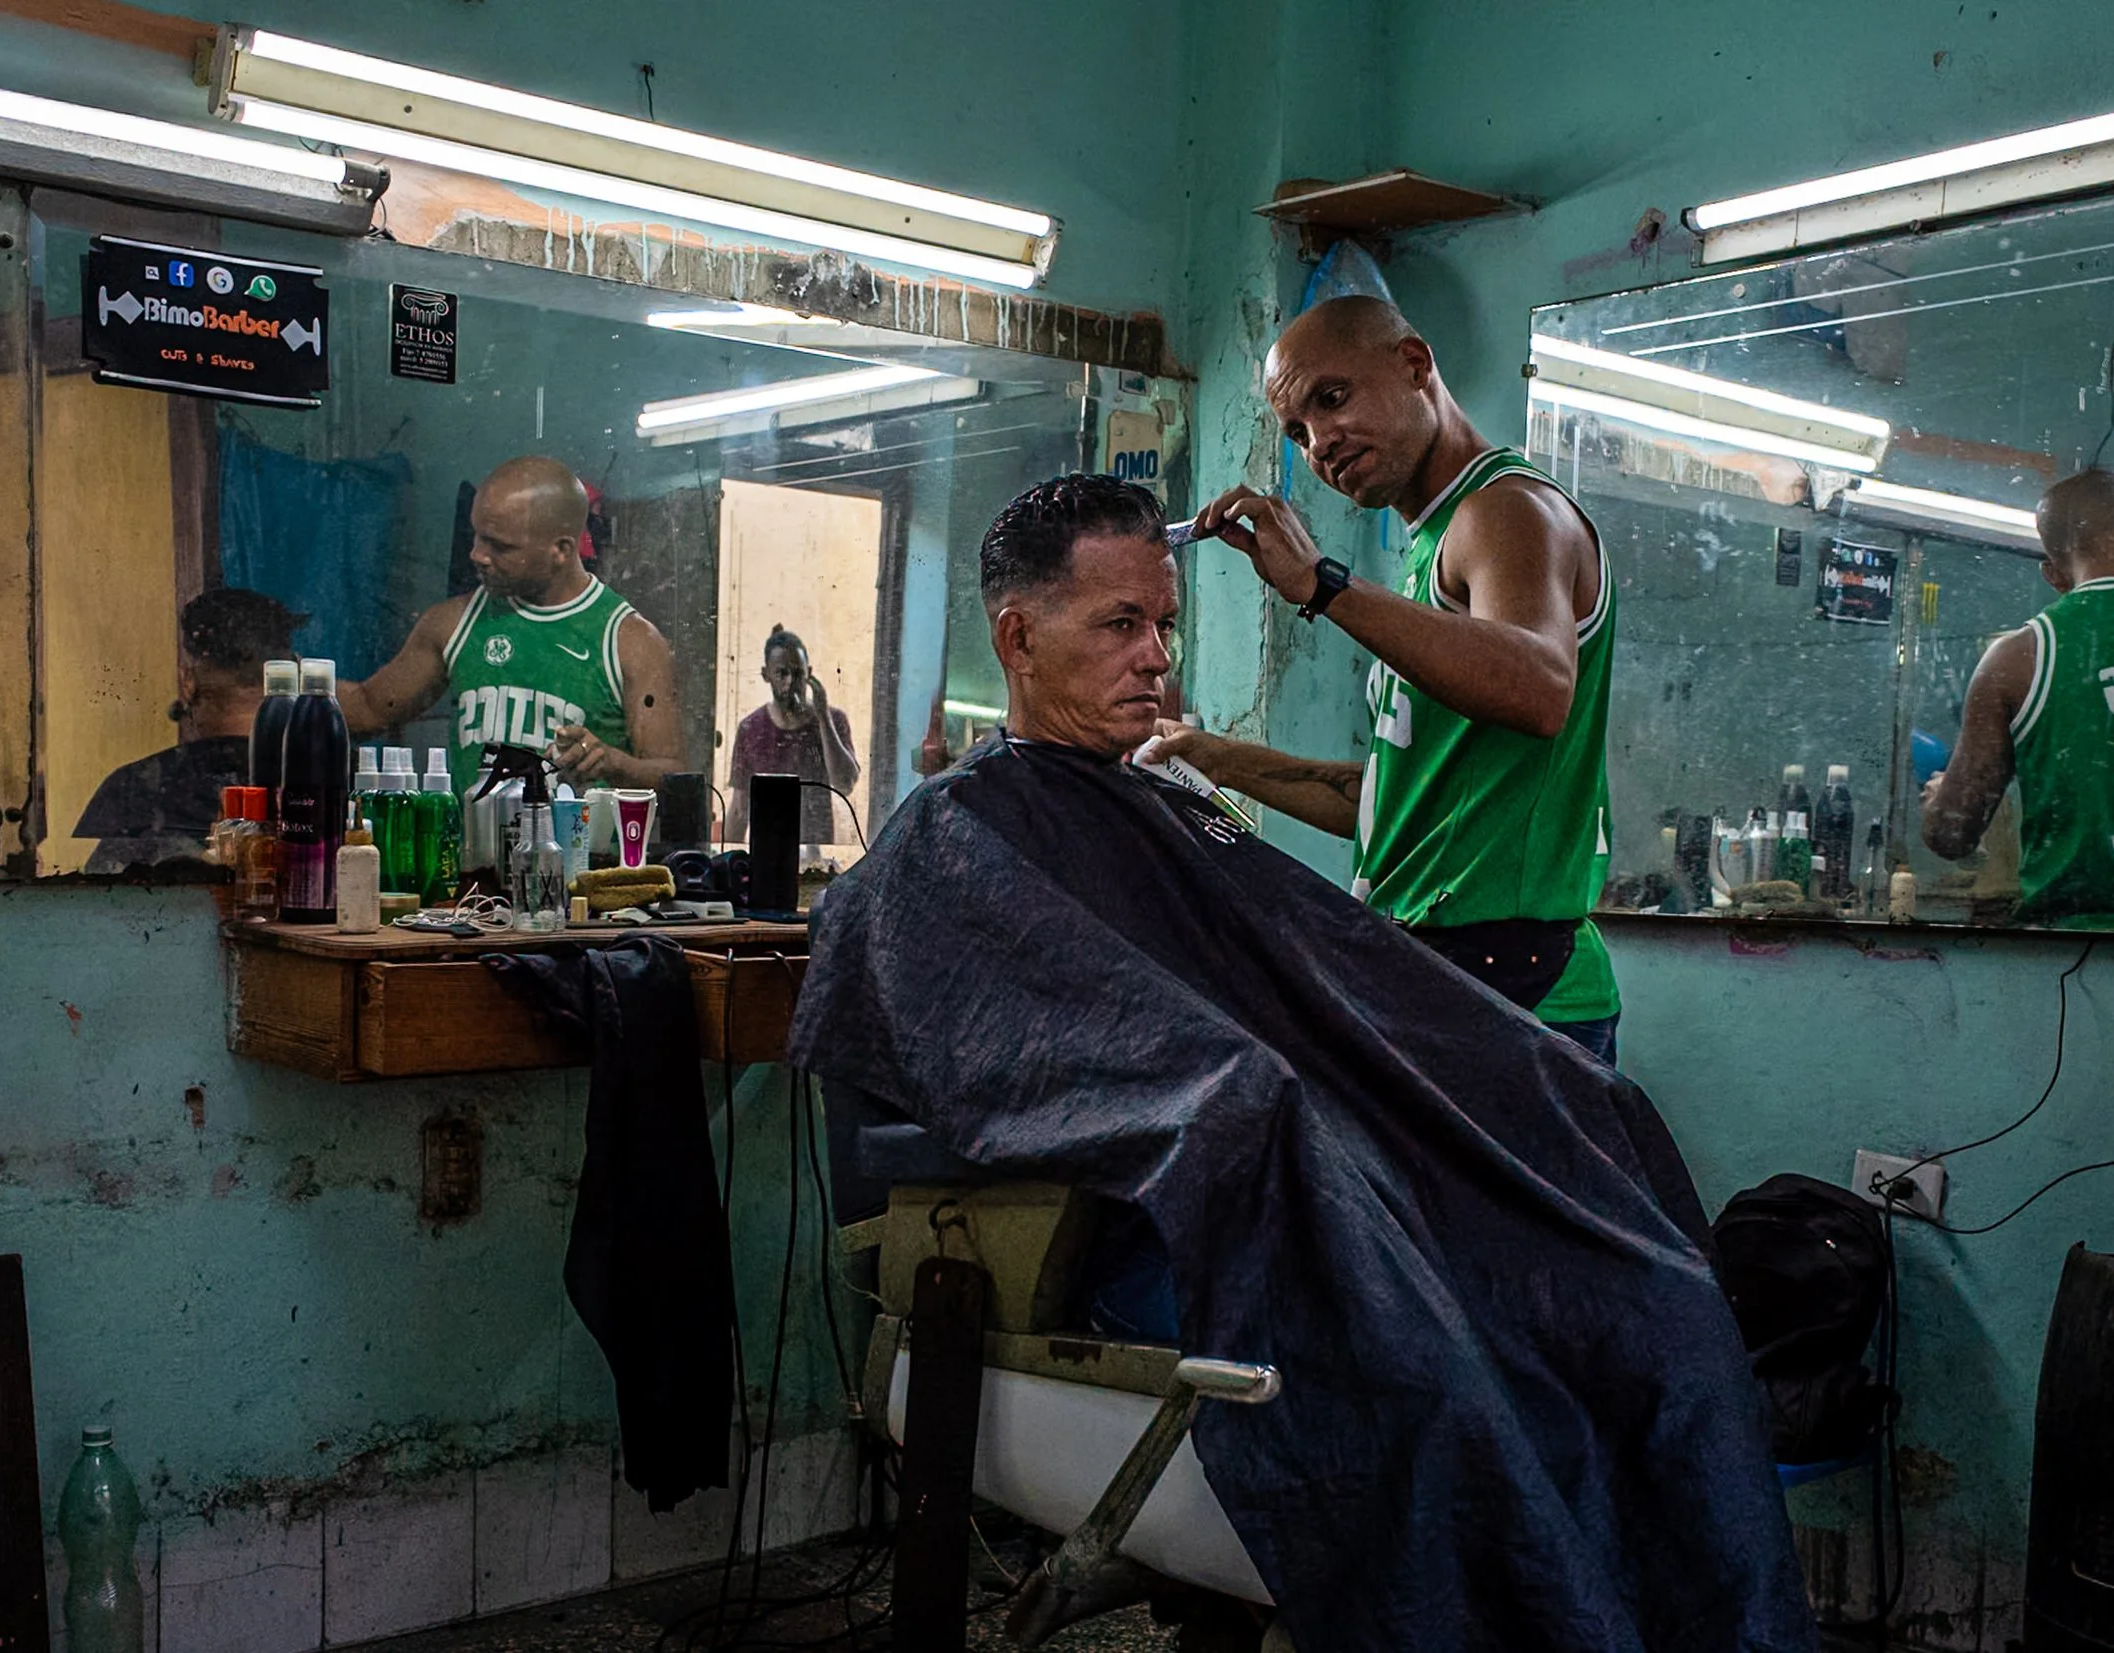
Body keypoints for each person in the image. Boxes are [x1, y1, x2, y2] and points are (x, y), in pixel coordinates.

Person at [788, 474, 1810, 1652]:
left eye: (1163, 625)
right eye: (1119, 625)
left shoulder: (1175, 802)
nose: (1155, 657)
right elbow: (1034, 1066)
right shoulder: (954, 836)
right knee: (1448, 1351)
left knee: (1648, 1300)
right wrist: (1245, 1104)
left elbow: (1321, 965)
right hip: (1163, 1219)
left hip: (1304, 1182)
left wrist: (1504, 1070)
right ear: (1018, 638)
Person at [1155, 295, 1621, 1061]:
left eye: (1333, 398)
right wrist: (1215, 758)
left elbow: (1539, 689)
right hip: (1437, 974)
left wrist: (1324, 585)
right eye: (1298, 431)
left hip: (1517, 989)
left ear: (1413, 365)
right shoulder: (1432, 543)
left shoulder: (1505, 510)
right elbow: (1395, 809)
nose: (1320, 443)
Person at [340, 456, 685, 794]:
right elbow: (369, 708)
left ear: (561, 550)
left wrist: (612, 762)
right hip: (474, 835)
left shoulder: (629, 641)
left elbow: (673, 776)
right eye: (477, 536)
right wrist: (308, 683)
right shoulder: (454, 623)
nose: (477, 555)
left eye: (499, 546)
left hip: (579, 835)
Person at [1921, 468, 2114, 927]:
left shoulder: (2018, 658)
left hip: (2071, 950)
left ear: (2052, 572)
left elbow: (1952, 833)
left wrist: (1939, 800)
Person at [75, 587, 302, 874]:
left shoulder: (138, 788)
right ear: (294, 677)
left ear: (188, 681)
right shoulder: (332, 784)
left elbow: (97, 894)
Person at [724, 625, 860, 844]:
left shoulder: (833, 721)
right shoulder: (750, 729)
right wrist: (728, 856)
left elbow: (845, 784)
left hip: (815, 852)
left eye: (797, 674)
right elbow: (739, 807)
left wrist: (823, 718)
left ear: (809, 674)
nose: (790, 682)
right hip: (767, 848)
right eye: (782, 673)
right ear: (766, 675)